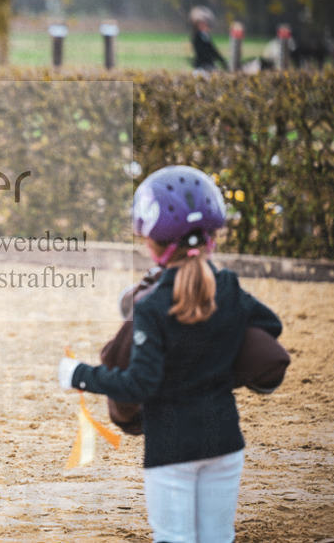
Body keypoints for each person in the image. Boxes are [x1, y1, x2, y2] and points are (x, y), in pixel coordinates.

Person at [57, 165, 283, 543]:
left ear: (152, 242)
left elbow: (138, 385)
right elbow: (270, 327)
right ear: (211, 237)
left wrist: (77, 374)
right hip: (226, 441)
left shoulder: (152, 305)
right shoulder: (227, 286)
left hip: (172, 447)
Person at [189, 6, 228, 73]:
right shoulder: (197, 36)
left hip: (208, 64)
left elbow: (213, 50)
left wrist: (222, 61)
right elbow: (203, 52)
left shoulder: (205, 35)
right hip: (202, 65)